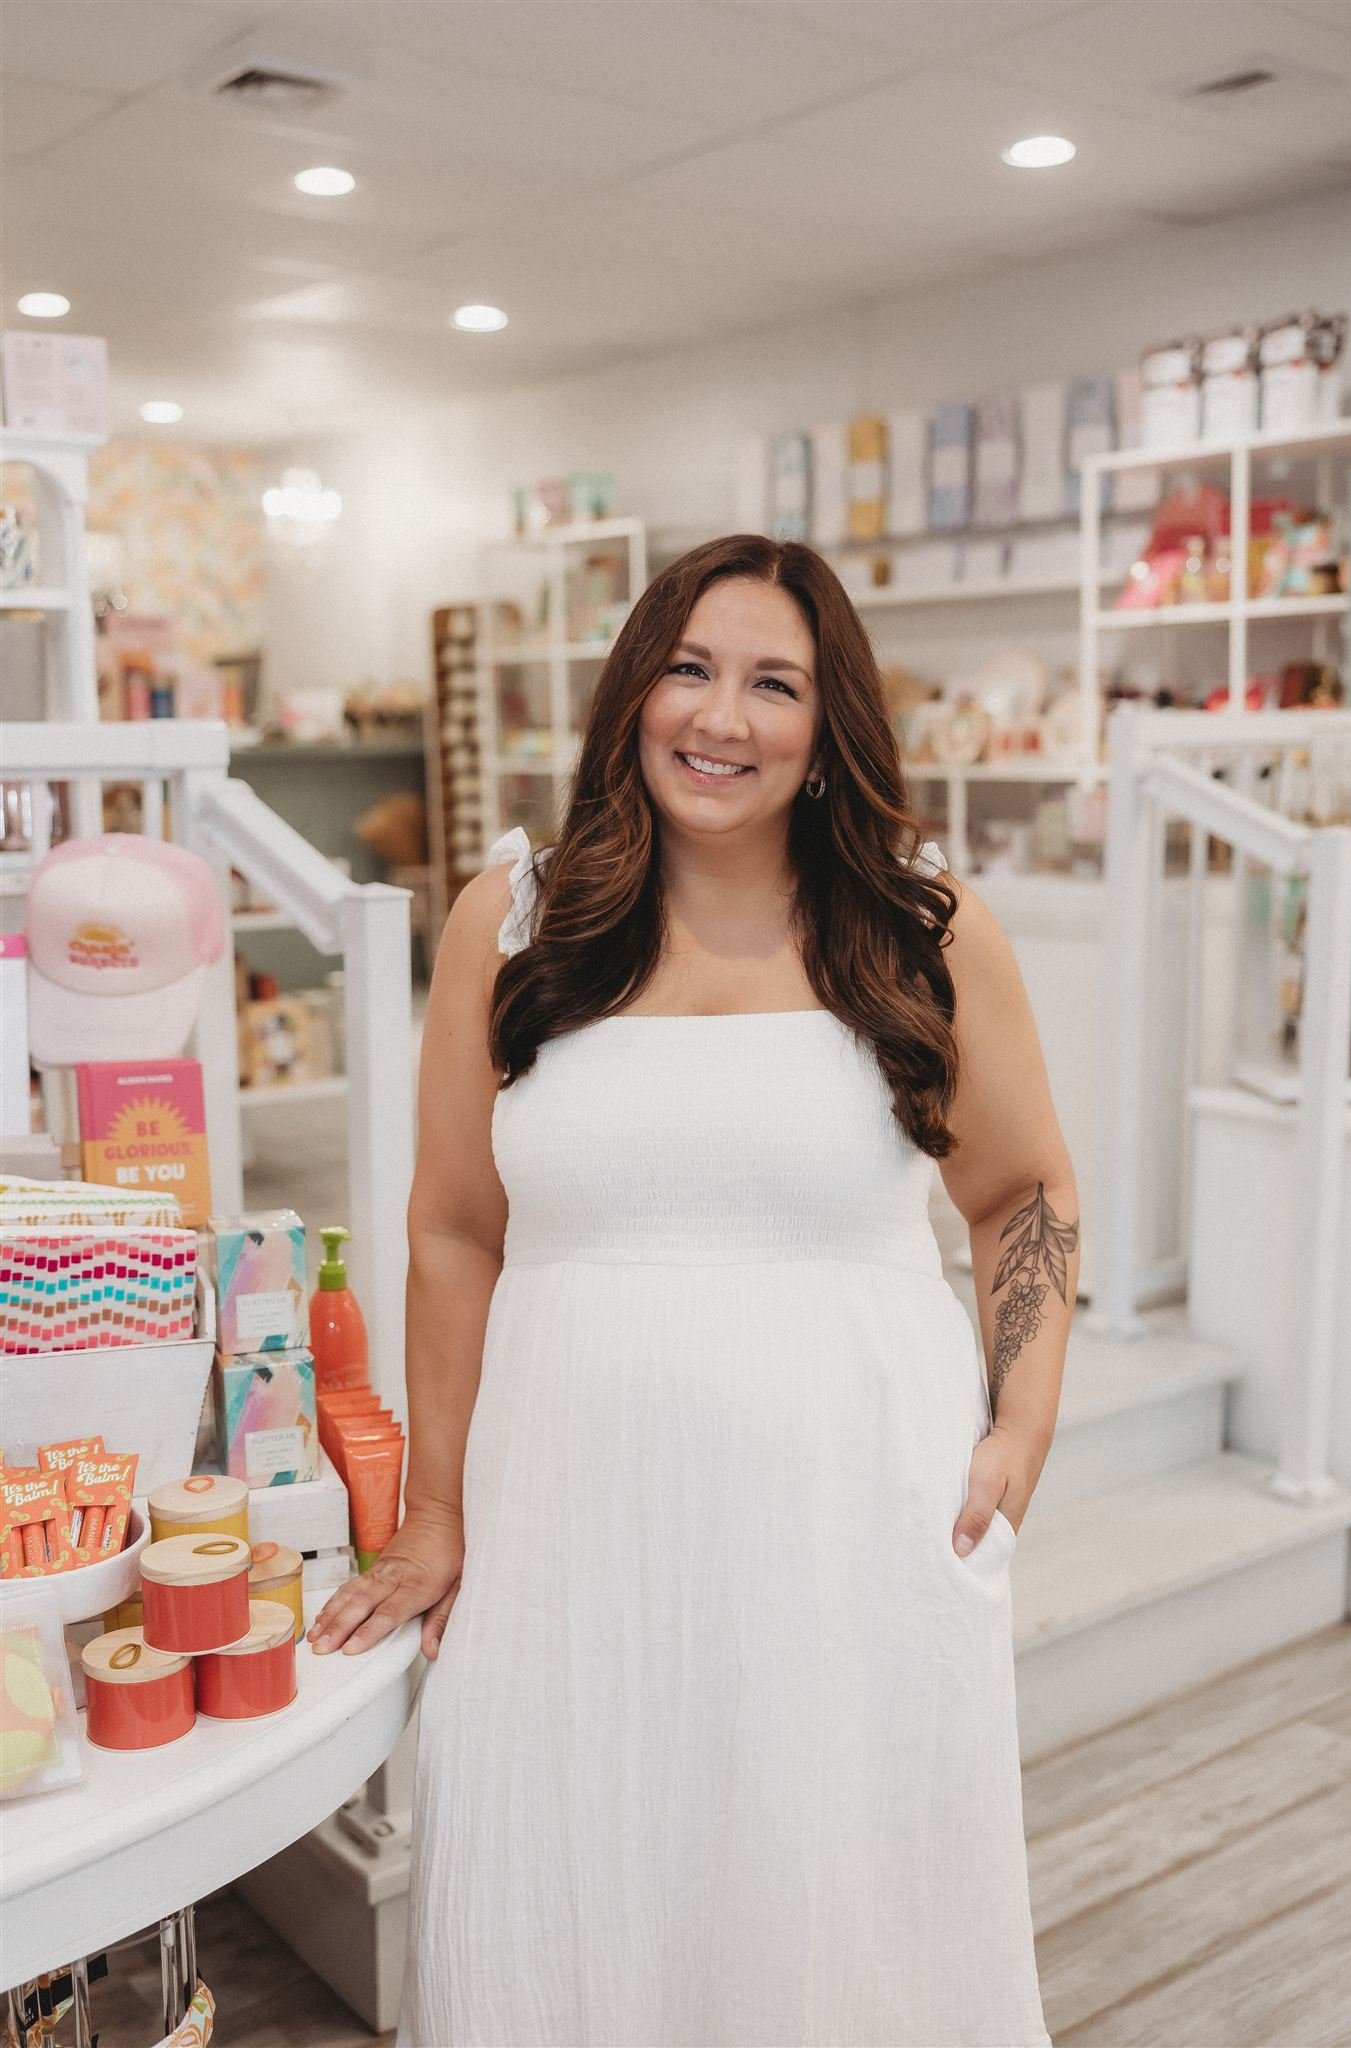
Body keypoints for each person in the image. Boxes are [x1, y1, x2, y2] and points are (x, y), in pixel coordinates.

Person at [310, 534, 1076, 2047]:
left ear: (826, 725)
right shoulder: (513, 922)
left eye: (772, 683)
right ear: (633, 691)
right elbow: (455, 1231)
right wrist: (439, 1511)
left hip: (848, 1530)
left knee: (831, 1912)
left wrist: (1023, 1424)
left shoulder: (922, 932)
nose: (720, 718)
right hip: (568, 1538)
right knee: (579, 1898)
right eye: (689, 669)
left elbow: (1021, 1192)